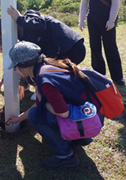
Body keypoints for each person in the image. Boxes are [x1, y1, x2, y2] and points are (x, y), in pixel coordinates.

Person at [6, 41, 104, 170]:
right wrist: (19, 118)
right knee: (37, 112)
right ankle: (79, 138)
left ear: (24, 65)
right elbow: (40, 104)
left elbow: (63, 112)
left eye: (15, 67)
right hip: (90, 115)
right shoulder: (46, 66)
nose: (15, 70)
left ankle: (66, 156)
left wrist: (44, 104)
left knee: (36, 116)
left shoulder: (44, 79)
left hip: (89, 120)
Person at [0, 7, 86, 97]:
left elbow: (40, 24)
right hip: (62, 51)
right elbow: (21, 61)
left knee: (56, 74)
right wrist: (5, 81)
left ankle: (62, 97)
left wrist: (20, 18)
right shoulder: (23, 36)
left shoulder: (28, 17)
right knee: (58, 73)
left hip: (71, 48)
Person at [79, 0, 125, 85]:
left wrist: (111, 20)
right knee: (95, 48)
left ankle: (117, 77)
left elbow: (115, 3)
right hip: (93, 20)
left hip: (107, 21)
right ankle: (99, 75)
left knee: (111, 48)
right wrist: (81, 20)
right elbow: (83, 4)